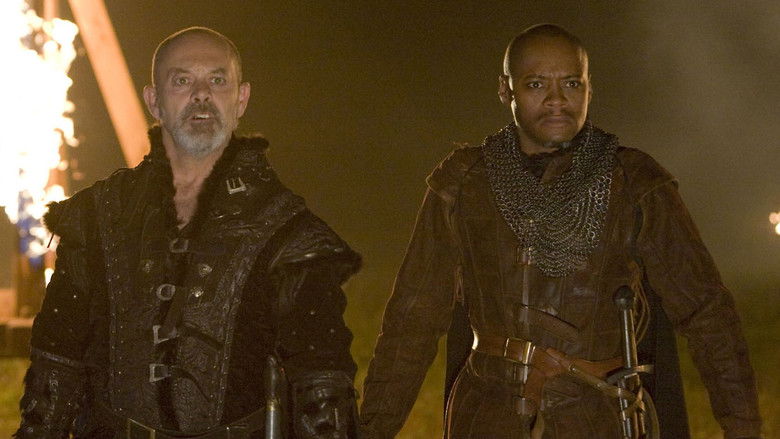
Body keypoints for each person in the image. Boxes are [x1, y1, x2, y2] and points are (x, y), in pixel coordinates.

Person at [359, 24, 762, 439]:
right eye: (536, 84)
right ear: (506, 90)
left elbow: (707, 314)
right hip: (487, 416)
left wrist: (743, 428)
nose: (557, 99)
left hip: (596, 418)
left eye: (571, 83)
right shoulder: (464, 182)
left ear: (589, 88)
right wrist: (372, 429)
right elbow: (412, 321)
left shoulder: (634, 182)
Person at [15, 27, 360, 439]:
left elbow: (322, 388)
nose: (201, 95)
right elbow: (56, 363)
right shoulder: (97, 216)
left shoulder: (286, 232)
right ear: (154, 101)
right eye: (182, 81)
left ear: (241, 99)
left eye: (217, 80)